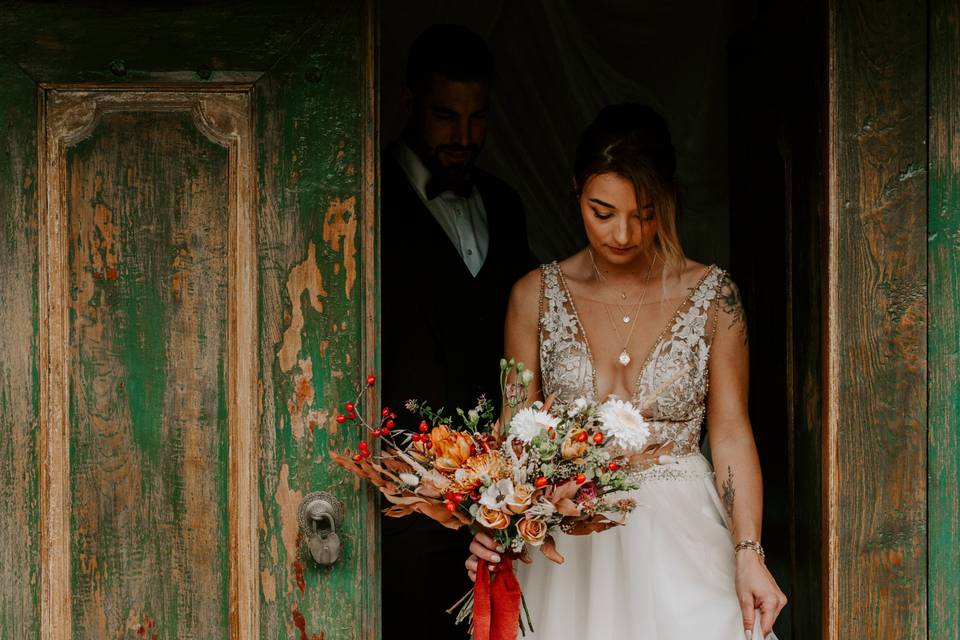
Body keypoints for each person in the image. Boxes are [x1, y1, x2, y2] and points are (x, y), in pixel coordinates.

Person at [465, 104, 787, 639]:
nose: (623, 233)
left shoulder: (715, 298)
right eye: (602, 211)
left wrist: (748, 550)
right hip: (566, 544)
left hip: (683, 543)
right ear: (575, 192)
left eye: (644, 213)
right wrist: (493, 523)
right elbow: (515, 432)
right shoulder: (533, 296)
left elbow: (730, 431)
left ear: (668, 199)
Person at [380, 24, 533, 639]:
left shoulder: (506, 202)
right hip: (402, 497)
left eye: (477, 118)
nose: (464, 137)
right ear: (408, 103)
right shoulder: (364, 196)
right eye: (446, 116)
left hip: (498, 500)